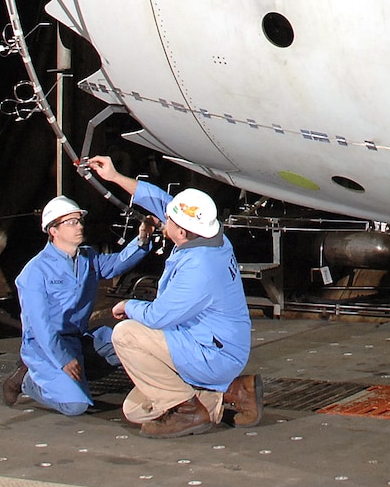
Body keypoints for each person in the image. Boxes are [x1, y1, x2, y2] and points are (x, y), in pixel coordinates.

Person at [80, 155, 259, 438]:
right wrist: (114, 177)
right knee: (135, 410)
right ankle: (233, 391)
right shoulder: (209, 235)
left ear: (182, 232)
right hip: (206, 343)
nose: (164, 219)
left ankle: (190, 410)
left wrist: (126, 305)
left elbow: (158, 315)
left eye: (169, 220)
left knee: (126, 334)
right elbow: (161, 200)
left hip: (212, 353)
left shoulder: (200, 267)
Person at [1, 195, 155, 416]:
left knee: (131, 345)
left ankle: (77, 376)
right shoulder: (35, 273)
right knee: (76, 406)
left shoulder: (87, 258)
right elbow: (40, 326)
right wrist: (63, 359)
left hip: (78, 339)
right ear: (53, 230)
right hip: (46, 347)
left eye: (79, 221)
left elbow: (116, 264)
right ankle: (27, 381)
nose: (79, 226)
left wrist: (142, 239)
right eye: (71, 222)